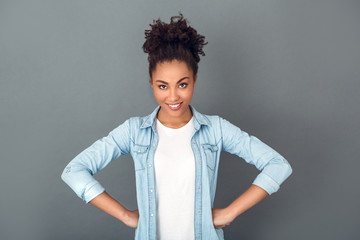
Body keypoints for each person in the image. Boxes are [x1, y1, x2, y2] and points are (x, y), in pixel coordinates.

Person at [61, 14, 293, 240]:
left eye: (182, 84)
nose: (173, 96)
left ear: (194, 80)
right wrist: (125, 215)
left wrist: (231, 211)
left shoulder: (216, 129)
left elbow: (278, 165)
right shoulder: (133, 132)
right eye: (163, 86)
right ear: (151, 83)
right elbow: (74, 171)